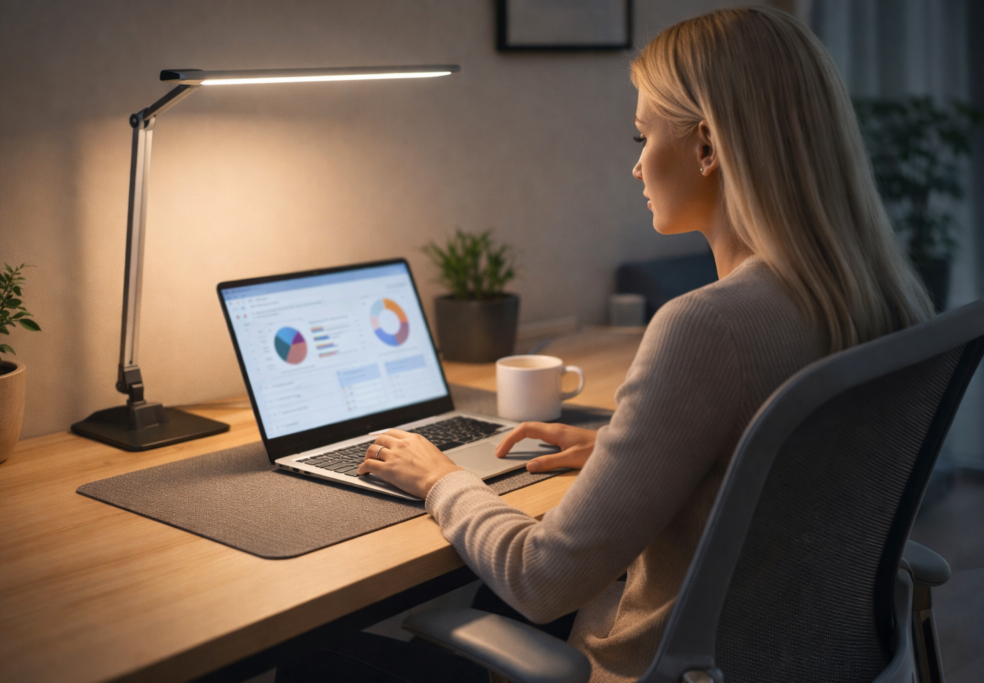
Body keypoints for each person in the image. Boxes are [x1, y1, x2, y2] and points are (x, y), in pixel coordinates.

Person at [279, 6, 934, 682]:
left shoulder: (707, 325)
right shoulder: (881, 296)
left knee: (310, 661)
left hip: (666, 666)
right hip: (801, 655)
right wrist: (632, 451)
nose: (636, 166)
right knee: (478, 597)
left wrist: (441, 477)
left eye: (640, 135)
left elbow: (541, 578)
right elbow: (791, 470)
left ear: (707, 147)